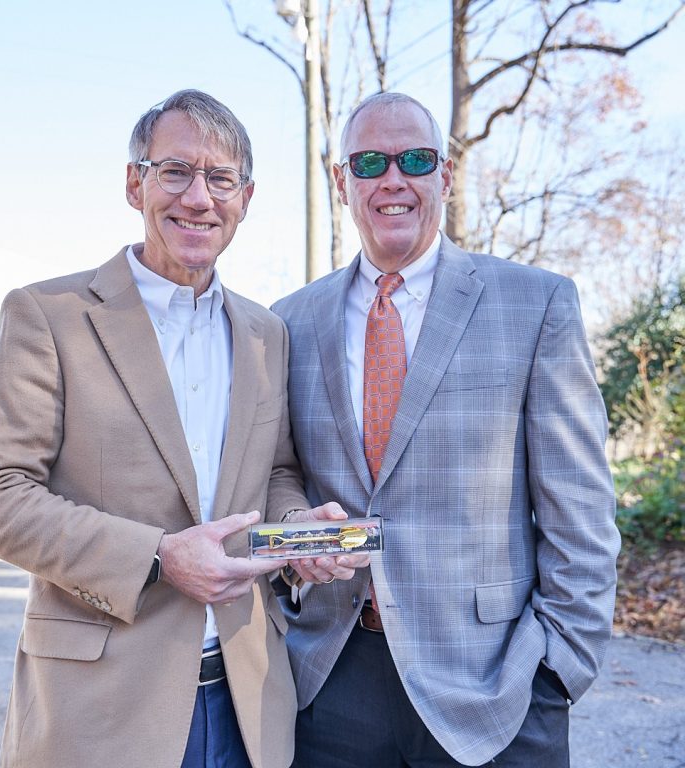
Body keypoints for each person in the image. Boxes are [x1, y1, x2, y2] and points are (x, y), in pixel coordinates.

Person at [0, 89, 356, 768]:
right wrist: (159, 557)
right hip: (101, 712)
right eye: (176, 172)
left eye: (221, 178)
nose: (199, 197)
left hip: (247, 704)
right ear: (135, 184)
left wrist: (300, 532)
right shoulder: (49, 316)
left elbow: (275, 473)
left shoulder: (266, 333)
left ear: (245, 200)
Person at [272, 92, 620, 767]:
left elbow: (580, 510)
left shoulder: (536, 303)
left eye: (416, 159)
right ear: (343, 181)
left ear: (446, 175)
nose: (393, 178)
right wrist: (296, 539)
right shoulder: (289, 321)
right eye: (370, 161)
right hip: (331, 684)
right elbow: (280, 470)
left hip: (497, 690)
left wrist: (557, 670)